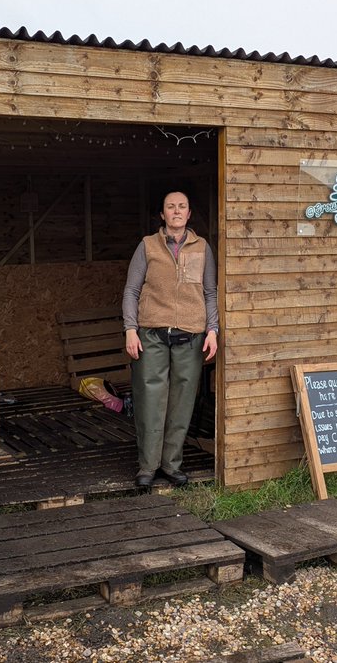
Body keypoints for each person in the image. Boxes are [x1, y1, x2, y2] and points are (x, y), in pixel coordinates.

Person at [122, 191, 219, 489]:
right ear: (162, 214)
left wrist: (213, 329)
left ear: (189, 214)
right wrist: (130, 329)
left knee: (182, 400)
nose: (176, 211)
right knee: (150, 400)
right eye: (170, 207)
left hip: (191, 335)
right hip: (151, 334)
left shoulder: (202, 248)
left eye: (182, 207)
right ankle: (147, 467)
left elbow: (210, 292)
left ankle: (172, 464)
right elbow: (131, 291)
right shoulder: (147, 246)